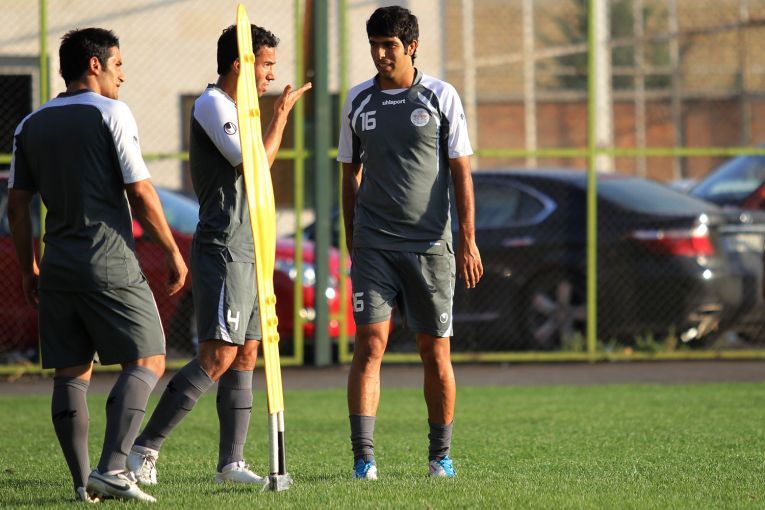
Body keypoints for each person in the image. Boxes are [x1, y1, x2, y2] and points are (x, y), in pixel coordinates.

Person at [7, 28, 187, 503]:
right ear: (95, 65)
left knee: (71, 374)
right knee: (148, 358)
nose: (122, 76)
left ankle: (81, 483)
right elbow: (140, 191)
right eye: (118, 65)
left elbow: (17, 206)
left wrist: (29, 268)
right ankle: (113, 468)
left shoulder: (30, 124)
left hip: (58, 265)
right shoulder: (111, 112)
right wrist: (172, 250)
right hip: (108, 258)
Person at [127, 24, 310, 486]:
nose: (271, 75)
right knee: (217, 355)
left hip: (251, 249)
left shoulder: (241, 110)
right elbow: (251, 163)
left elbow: (257, 170)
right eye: (266, 64)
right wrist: (279, 120)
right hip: (224, 248)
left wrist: (275, 117)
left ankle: (231, 464)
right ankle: (143, 450)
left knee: (246, 353)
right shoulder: (213, 105)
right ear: (240, 64)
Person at [338, 6, 483, 480]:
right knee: (370, 343)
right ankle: (364, 459)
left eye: (390, 46)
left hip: (430, 246)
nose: (381, 54)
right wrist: (353, 239)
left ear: (412, 47)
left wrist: (468, 241)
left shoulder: (441, 96)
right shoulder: (358, 100)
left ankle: (440, 456)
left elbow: (461, 172)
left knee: (434, 351)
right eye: (375, 45)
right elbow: (349, 173)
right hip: (374, 246)